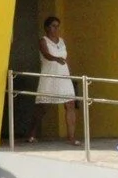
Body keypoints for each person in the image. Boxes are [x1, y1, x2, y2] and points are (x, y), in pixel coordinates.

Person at [24, 16, 78, 145]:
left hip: (63, 76)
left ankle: (71, 137)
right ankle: (31, 134)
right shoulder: (43, 40)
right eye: (53, 26)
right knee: (42, 107)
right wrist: (55, 59)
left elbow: (65, 58)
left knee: (70, 104)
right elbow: (46, 54)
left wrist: (68, 70)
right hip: (49, 76)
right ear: (47, 27)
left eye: (57, 26)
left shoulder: (62, 41)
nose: (56, 28)